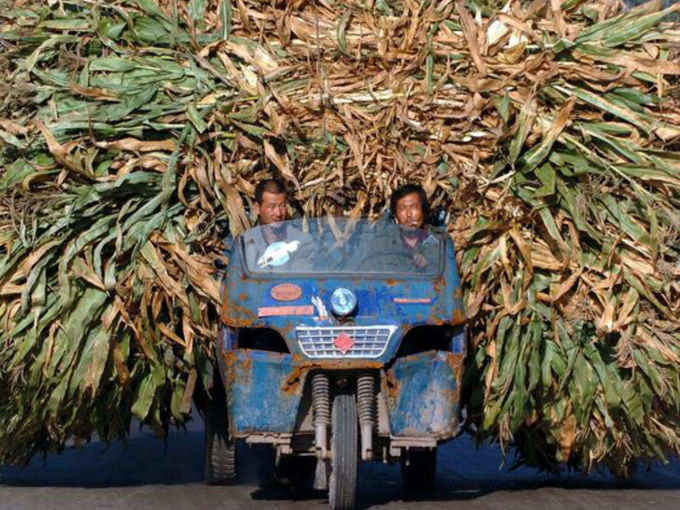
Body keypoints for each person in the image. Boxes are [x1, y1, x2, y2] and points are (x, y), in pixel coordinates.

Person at [389, 184, 439, 269]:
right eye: (402, 208)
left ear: (423, 211)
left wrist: (428, 264)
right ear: (395, 215)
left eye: (414, 207)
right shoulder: (385, 242)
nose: (409, 214)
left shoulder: (437, 242)